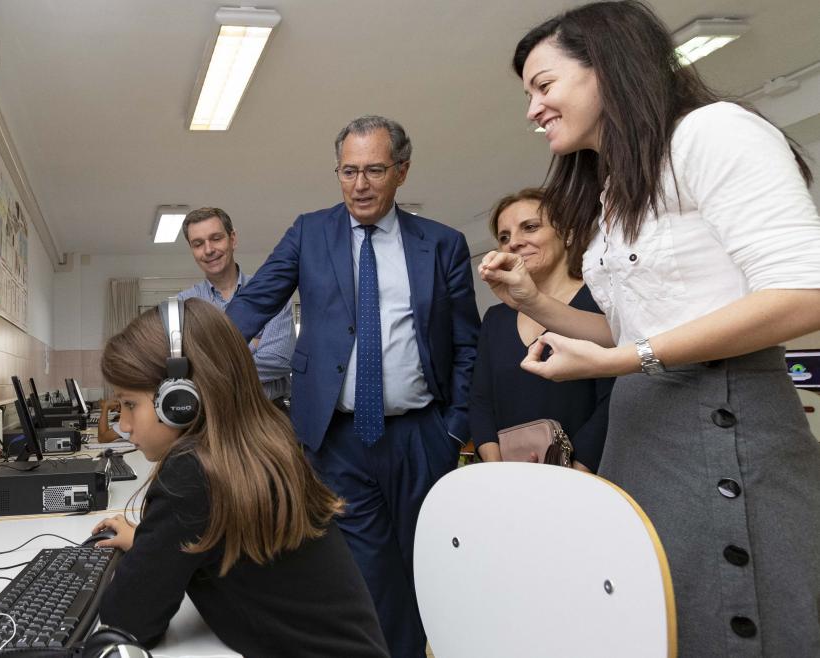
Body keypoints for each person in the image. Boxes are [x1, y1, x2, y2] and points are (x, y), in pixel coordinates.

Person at [480, 2, 820, 654]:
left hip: (720, 426)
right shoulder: (614, 191)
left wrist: (626, 360)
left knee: (732, 627)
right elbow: (631, 325)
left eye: (544, 85)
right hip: (641, 441)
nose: (532, 109)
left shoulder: (713, 133)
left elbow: (804, 293)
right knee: (657, 624)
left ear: (606, 67)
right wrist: (535, 302)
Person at [226, 115, 481, 657]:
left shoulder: (442, 244)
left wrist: (452, 430)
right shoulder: (309, 232)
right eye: (348, 171)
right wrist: (190, 350)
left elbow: (466, 346)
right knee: (366, 576)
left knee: (428, 565)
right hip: (337, 440)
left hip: (420, 437)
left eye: (373, 170)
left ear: (402, 172)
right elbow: (255, 301)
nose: (360, 185)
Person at [92, 299, 388, 657]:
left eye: (130, 405)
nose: (123, 426)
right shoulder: (253, 444)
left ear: (179, 400)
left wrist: (150, 553)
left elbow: (128, 620)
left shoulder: (193, 472)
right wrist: (150, 542)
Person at [470, 188, 611, 472]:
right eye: (504, 237)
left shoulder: (601, 302)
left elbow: (612, 400)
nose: (515, 243)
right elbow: (480, 402)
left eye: (530, 228)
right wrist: (499, 470)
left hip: (588, 476)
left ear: (568, 233)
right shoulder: (496, 318)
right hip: (511, 477)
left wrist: (576, 472)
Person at [177, 207, 295, 405]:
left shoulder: (273, 293)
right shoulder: (183, 306)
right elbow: (183, 370)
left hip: (268, 417)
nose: (208, 250)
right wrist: (252, 346)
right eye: (198, 244)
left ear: (232, 239)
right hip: (211, 421)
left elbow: (280, 360)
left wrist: (207, 365)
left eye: (216, 238)